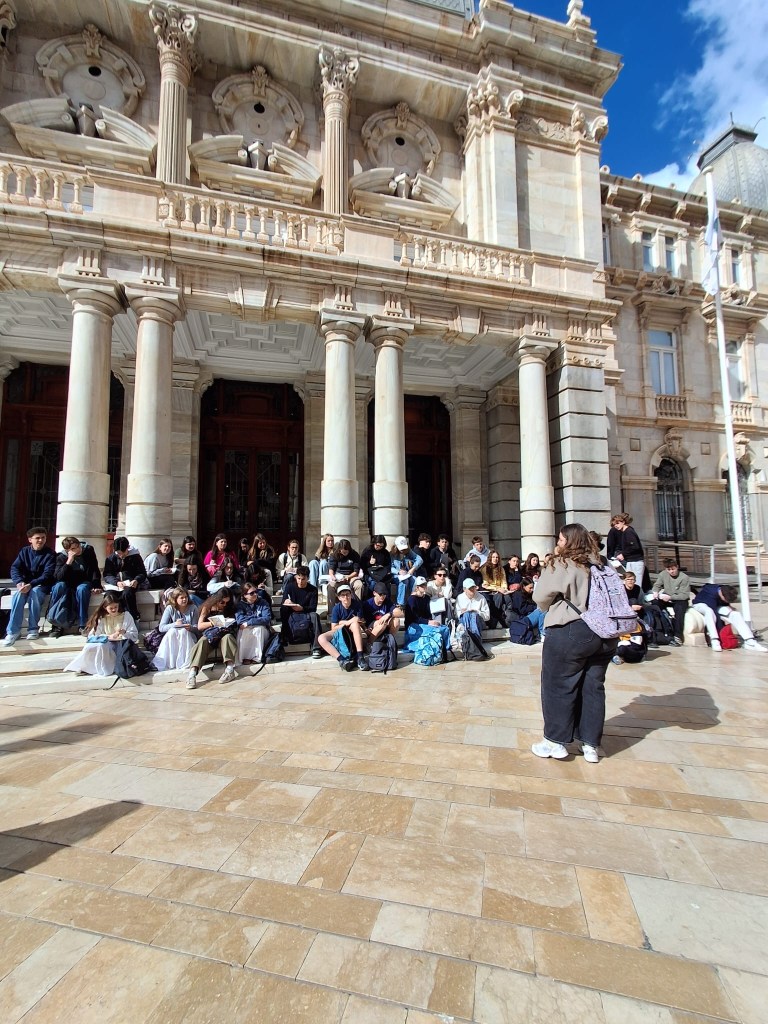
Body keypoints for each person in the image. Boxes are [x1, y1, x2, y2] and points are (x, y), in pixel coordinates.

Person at [531, 524, 618, 764]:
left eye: (560, 540)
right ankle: (590, 745)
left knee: (558, 685)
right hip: (606, 634)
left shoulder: (562, 564)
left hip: (572, 630)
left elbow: (540, 597)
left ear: (569, 542)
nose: (558, 544)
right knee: (593, 688)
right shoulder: (603, 563)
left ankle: (555, 742)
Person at [2, 526, 56, 646]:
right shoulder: (24, 551)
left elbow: (47, 574)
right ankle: (13, 632)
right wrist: (19, 582)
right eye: (37, 538)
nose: (40, 540)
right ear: (30, 539)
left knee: (35, 593)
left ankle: (33, 629)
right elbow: (15, 568)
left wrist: (31, 584)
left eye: (43, 537)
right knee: (18, 596)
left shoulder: (50, 554)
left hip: (41, 585)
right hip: (25, 585)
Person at [64, 595, 138, 677]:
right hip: (106, 643)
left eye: (115, 607)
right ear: (105, 607)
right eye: (111, 608)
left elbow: (134, 635)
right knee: (92, 646)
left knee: (101, 646)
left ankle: (105, 669)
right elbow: (93, 636)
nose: (114, 610)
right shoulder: (102, 618)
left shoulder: (126, 616)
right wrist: (108, 637)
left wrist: (123, 633)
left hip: (120, 646)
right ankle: (86, 667)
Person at [47, 536, 102, 637]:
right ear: (67, 550)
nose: (77, 550)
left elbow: (94, 568)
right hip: (68, 582)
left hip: (83, 581)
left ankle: (82, 624)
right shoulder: (61, 557)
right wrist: (69, 561)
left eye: (78, 546)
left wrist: (97, 585)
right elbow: (58, 577)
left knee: (82, 589)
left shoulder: (88, 550)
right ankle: (56, 624)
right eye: (73, 549)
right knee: (58, 586)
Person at [185, 591, 239, 689]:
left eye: (227, 602)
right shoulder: (207, 608)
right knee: (202, 641)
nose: (225, 605)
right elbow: (200, 626)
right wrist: (213, 623)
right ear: (217, 600)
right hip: (211, 634)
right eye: (222, 602)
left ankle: (229, 670)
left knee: (228, 638)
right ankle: (192, 674)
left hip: (224, 634)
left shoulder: (229, 609)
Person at [692, 583, 766, 653]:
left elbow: (724, 603)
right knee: (709, 612)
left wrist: (730, 609)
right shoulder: (710, 593)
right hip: (701, 604)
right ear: (722, 595)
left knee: (735, 614)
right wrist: (721, 635)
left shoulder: (724, 590)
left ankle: (750, 641)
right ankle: (714, 640)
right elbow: (716, 616)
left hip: (716, 605)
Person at [317, 584, 368, 671]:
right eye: (342, 595)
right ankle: (341, 660)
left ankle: (360, 657)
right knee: (321, 638)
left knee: (355, 624)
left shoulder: (357, 605)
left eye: (347, 594)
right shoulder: (336, 608)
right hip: (340, 630)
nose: (345, 597)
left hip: (352, 630)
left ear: (351, 595)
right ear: (339, 598)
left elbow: (359, 620)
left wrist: (343, 622)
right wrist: (347, 622)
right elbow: (334, 627)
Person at [102, 536, 147, 624]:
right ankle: (109, 620)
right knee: (109, 596)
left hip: (130, 584)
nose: (121, 555)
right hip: (116, 585)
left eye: (123, 552)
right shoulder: (111, 558)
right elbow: (107, 575)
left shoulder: (135, 557)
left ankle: (133, 618)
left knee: (127, 594)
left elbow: (142, 573)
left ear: (127, 548)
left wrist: (136, 580)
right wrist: (116, 582)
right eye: (118, 553)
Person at [280, 565, 323, 656]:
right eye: (298, 578)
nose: (300, 581)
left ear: (307, 578)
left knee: (315, 616)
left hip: (305, 612)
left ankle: (316, 647)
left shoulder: (313, 590)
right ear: (296, 577)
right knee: (283, 609)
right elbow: (283, 601)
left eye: (303, 579)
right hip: (292, 612)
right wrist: (287, 602)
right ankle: (284, 637)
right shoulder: (290, 586)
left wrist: (302, 608)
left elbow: (313, 608)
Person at [152, 587, 198, 671]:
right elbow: (161, 627)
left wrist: (190, 627)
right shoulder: (170, 608)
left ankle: (184, 661)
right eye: (181, 598)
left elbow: (197, 627)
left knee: (183, 631)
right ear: (175, 599)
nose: (184, 599)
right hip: (174, 638)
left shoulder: (193, 608)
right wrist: (175, 624)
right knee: (172, 631)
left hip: (189, 637)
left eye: (186, 597)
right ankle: (171, 661)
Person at [404, 576, 451, 653]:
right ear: (417, 587)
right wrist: (428, 622)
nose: (424, 587)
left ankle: (444, 648)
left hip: (425, 623)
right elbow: (413, 618)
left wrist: (431, 621)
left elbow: (428, 614)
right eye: (422, 585)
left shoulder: (426, 598)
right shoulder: (412, 599)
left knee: (445, 628)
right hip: (413, 625)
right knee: (435, 631)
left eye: (425, 585)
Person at [652, 559, 691, 645]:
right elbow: (657, 585)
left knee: (679, 610)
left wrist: (670, 597)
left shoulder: (684, 578)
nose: (671, 571)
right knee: (655, 604)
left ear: (677, 567)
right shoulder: (663, 574)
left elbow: (684, 595)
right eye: (669, 569)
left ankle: (678, 636)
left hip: (680, 599)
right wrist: (655, 592)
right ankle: (661, 631)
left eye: (673, 569)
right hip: (666, 597)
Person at [235, 583, 272, 663]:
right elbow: (240, 620)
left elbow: (267, 618)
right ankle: (245, 657)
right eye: (252, 593)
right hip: (246, 627)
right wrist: (257, 619)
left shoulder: (263, 602)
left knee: (258, 629)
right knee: (244, 629)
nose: (255, 594)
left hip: (262, 629)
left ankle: (256, 657)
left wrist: (250, 622)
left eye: (256, 592)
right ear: (245, 595)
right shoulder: (240, 605)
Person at [606, 513, 645, 582]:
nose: (616, 526)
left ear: (623, 522)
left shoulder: (629, 532)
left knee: (635, 583)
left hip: (635, 561)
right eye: (614, 524)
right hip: (630, 560)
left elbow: (635, 546)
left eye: (617, 523)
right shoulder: (625, 532)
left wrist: (623, 554)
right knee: (628, 582)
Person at [327, 539, 364, 606]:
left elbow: (356, 571)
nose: (345, 553)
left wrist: (348, 577)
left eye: (346, 552)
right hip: (338, 576)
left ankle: (357, 607)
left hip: (351, 576)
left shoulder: (355, 555)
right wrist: (333, 577)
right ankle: (331, 610)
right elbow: (331, 569)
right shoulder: (334, 555)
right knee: (330, 587)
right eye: (343, 552)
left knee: (359, 585)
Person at [481, 548, 512, 628]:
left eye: (497, 557)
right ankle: (495, 619)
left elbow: (504, 581)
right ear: (490, 558)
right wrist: (497, 589)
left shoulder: (501, 569)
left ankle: (506, 619)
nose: (495, 559)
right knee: (499, 597)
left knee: (508, 598)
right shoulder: (485, 568)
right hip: (490, 591)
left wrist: (504, 589)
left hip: (500, 590)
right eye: (493, 557)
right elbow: (485, 584)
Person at [391, 536, 423, 607]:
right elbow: (390, 567)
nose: (403, 551)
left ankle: (412, 601)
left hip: (407, 574)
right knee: (404, 582)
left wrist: (413, 568)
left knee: (414, 580)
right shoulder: (392, 555)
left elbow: (419, 559)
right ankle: (400, 604)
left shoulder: (409, 552)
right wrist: (398, 572)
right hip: (396, 575)